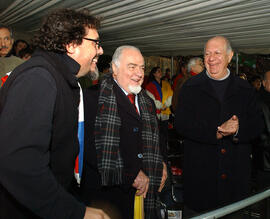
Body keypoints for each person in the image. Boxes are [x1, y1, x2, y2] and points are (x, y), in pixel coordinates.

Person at [0, 8, 109, 219]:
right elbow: (20, 162)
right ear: (70, 45)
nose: (101, 50)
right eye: (95, 43)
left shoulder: (58, 77)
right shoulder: (39, 78)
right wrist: (75, 212)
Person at [175, 36, 263, 214]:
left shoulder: (245, 89)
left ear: (230, 56)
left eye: (217, 53)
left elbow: (258, 125)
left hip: (235, 185)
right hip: (201, 184)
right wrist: (213, 133)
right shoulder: (191, 87)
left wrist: (238, 128)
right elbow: (181, 124)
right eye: (207, 54)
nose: (211, 58)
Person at [79, 45, 167, 219]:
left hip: (144, 193)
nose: (139, 73)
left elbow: (159, 137)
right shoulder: (93, 98)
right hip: (107, 197)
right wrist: (130, 173)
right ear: (115, 68)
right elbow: (88, 147)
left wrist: (162, 162)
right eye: (132, 66)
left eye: (142, 68)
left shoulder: (146, 101)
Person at [145, 66, 173, 161]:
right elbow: (151, 98)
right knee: (156, 135)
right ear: (154, 74)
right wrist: (161, 106)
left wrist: (165, 105)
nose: (161, 72)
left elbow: (171, 96)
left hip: (165, 114)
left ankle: (164, 153)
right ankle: (157, 154)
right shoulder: (150, 86)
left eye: (161, 71)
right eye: (158, 71)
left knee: (164, 135)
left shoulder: (166, 84)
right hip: (156, 113)